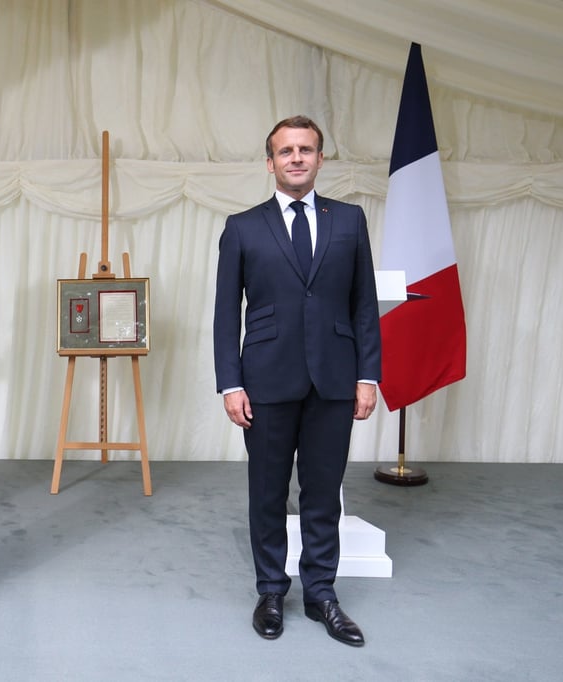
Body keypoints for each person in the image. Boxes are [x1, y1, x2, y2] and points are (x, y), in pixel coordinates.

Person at [213, 116, 381, 647]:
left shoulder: (350, 221)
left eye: (305, 149)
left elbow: (364, 306)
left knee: (323, 492)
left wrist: (367, 375)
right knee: (266, 492)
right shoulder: (242, 227)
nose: (296, 158)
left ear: (320, 159)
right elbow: (225, 314)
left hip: (334, 377)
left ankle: (322, 593)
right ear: (270, 162)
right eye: (285, 151)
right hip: (264, 379)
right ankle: (269, 590)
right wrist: (229, 383)